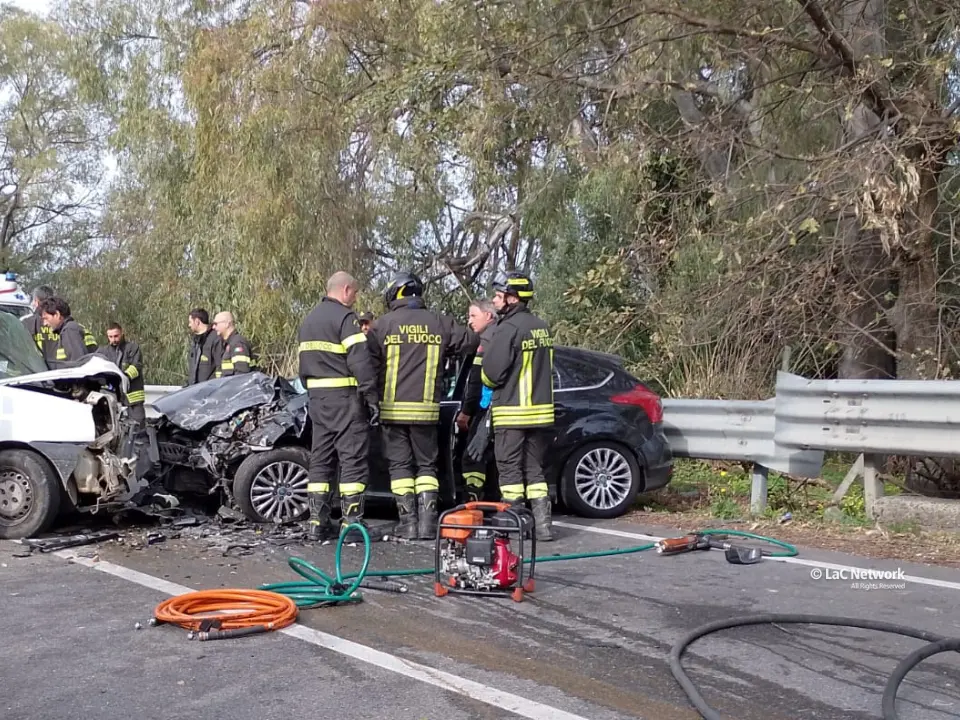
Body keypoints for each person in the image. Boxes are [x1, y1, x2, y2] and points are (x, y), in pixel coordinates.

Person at [367, 271, 478, 539]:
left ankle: (408, 524)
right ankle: (428, 526)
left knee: (400, 467)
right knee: (427, 467)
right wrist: (446, 351)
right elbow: (472, 341)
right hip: (426, 412)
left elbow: (367, 364)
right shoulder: (438, 322)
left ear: (395, 294)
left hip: (392, 412)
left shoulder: (383, 325)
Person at [297, 271, 380, 542]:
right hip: (345, 399)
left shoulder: (309, 320)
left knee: (321, 460)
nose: (355, 299)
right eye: (354, 293)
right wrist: (371, 398)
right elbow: (360, 362)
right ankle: (352, 525)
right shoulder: (345, 319)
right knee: (352, 460)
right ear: (345, 290)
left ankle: (317, 523)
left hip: (317, 400)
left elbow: (303, 367)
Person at [480, 271, 556, 541]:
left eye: (498, 296)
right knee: (534, 469)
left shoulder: (508, 329)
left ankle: (515, 524)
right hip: (541, 415)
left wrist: (485, 376)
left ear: (512, 298)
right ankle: (544, 526)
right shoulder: (541, 327)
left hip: (512, 413)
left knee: (510, 470)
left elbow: (492, 374)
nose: (494, 300)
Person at [455, 298, 498, 501]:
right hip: (502, 408)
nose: (469, 321)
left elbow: (475, 383)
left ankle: (472, 502)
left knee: (473, 457)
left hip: (485, 410)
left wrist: (466, 412)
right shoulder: (503, 335)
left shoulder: (486, 342)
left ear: (488, 316)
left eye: (473, 315)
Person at [97, 322, 146, 427]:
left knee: (138, 428)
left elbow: (136, 366)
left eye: (116, 336)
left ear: (122, 333)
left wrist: (122, 377)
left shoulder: (132, 348)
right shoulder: (103, 351)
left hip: (133, 398)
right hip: (112, 398)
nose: (113, 339)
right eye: (110, 337)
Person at [39, 297, 97, 367]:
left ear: (57, 314)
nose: (44, 324)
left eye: (46, 318)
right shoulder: (75, 328)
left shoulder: (69, 330)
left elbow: (78, 364)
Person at [212, 311, 257, 377]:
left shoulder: (238, 344)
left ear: (227, 324)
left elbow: (241, 375)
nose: (213, 327)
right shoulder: (226, 344)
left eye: (216, 324)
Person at [21, 285, 58, 366]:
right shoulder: (60, 320)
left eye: (34, 301)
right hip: (60, 371)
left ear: (36, 301)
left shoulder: (25, 322)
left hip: (34, 371)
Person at [187, 308, 221, 384]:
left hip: (210, 390)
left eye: (190, 322)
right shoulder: (195, 342)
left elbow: (220, 366)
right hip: (195, 389)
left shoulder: (215, 339)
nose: (189, 325)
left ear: (197, 321)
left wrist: (211, 385)